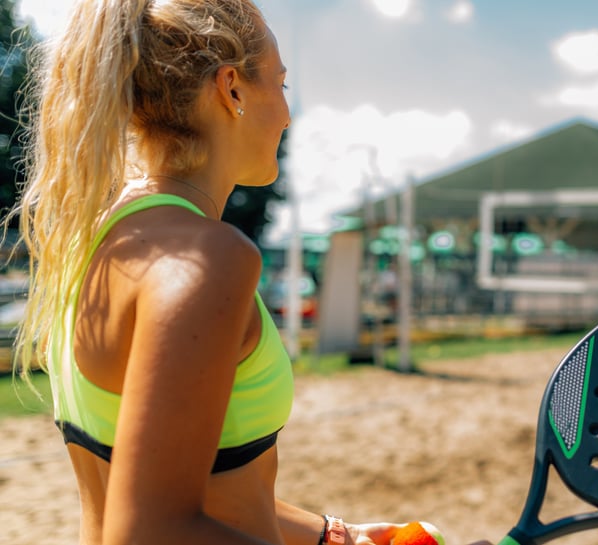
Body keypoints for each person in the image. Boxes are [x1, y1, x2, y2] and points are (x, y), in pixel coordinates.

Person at [8, 2, 482, 545]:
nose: (286, 113)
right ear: (231, 88)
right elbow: (151, 531)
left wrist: (336, 536)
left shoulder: (98, 237)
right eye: (280, 84)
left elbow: (181, 490)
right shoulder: (206, 259)